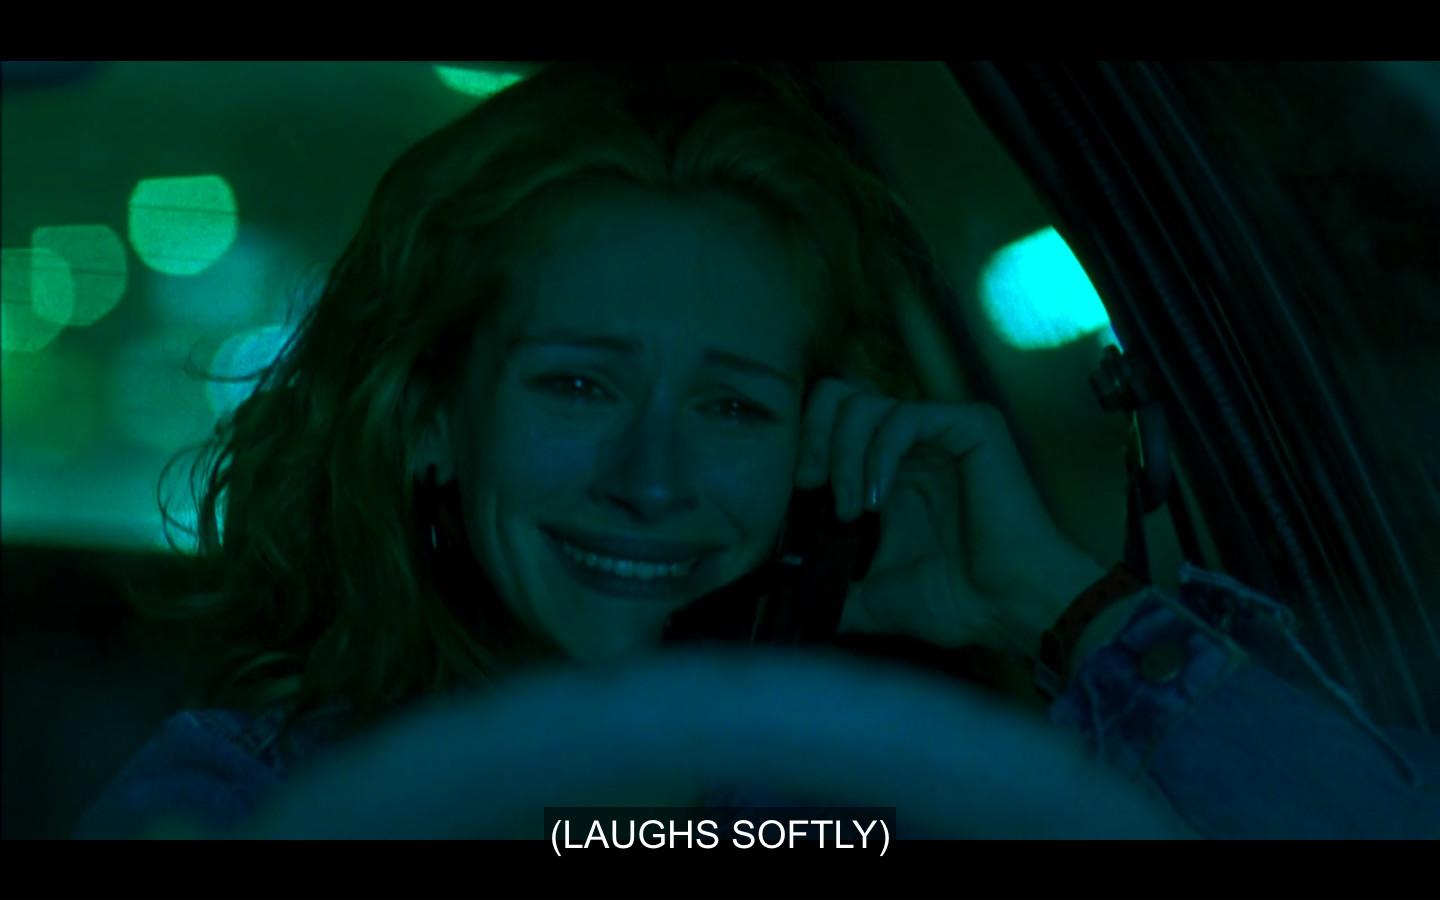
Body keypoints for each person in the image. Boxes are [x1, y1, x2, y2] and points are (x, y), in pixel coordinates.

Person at [75, 62, 1439, 840]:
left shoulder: (927, 788)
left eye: (732, 407)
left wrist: (1054, 603)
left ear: (814, 442)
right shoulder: (256, 798)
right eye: (578, 386)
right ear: (428, 418)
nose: (652, 478)